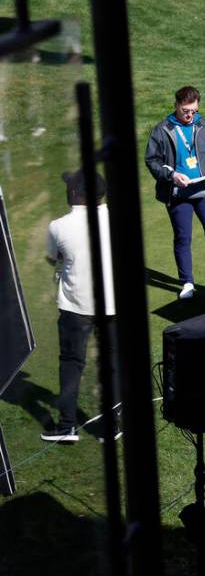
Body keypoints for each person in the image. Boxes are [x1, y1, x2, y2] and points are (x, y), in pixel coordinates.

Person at [41, 171, 118, 443]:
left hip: (77, 304)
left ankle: (67, 426)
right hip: (113, 304)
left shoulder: (58, 226)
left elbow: (53, 258)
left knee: (72, 363)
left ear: (75, 194)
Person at [143, 85, 205, 300]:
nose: (189, 115)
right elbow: (152, 160)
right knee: (183, 238)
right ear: (176, 105)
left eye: (193, 111)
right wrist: (172, 175)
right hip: (177, 195)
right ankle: (187, 282)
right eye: (186, 111)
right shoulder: (162, 129)